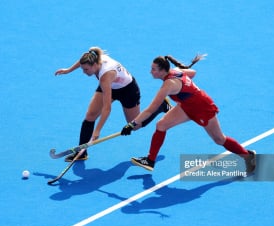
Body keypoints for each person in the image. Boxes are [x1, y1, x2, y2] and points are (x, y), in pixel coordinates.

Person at [121, 54, 256, 173]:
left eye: (153, 69)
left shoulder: (168, 85)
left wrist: (132, 124)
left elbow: (150, 110)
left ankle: (247, 156)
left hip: (202, 108)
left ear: (162, 71)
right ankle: (150, 160)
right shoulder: (175, 72)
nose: (151, 72)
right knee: (161, 124)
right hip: (186, 106)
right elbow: (193, 72)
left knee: (219, 139)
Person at [55, 47, 171, 162]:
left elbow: (107, 109)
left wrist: (97, 130)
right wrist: (68, 70)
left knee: (134, 125)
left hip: (128, 90)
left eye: (86, 70)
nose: (84, 72)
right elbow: (82, 62)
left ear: (95, 65)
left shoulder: (105, 76)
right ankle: (81, 152)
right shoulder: (94, 57)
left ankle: (161, 106)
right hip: (111, 87)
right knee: (90, 115)